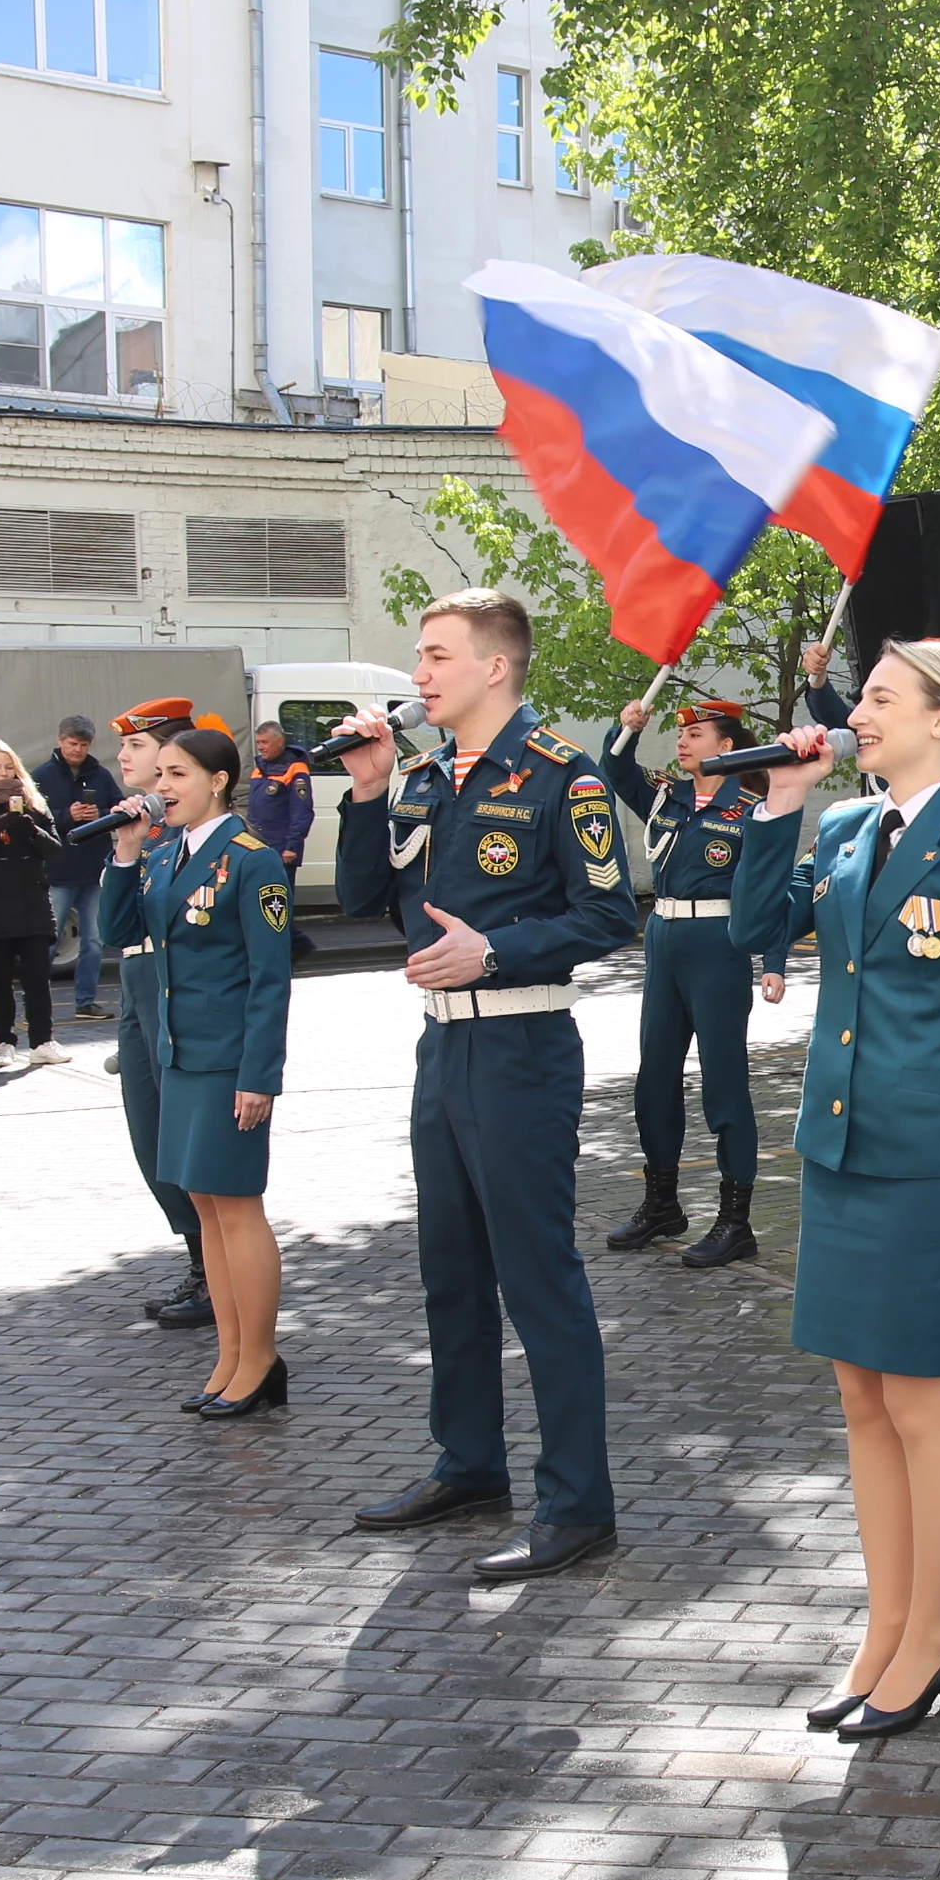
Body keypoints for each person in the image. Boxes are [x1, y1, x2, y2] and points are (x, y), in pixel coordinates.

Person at [734, 640, 940, 1741]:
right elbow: (752, 928)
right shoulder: (840, 829)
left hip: (925, 1158)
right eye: (861, 699)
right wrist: (780, 806)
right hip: (837, 1150)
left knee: (919, 1403)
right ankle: (883, 1630)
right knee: (860, 1402)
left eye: (879, 699)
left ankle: (932, 1638)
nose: (856, 715)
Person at [331, 590, 644, 1579]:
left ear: (495, 666)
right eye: (419, 656)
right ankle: (468, 1461)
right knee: (450, 1270)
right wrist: (370, 792)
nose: (417, 674)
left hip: (522, 1049)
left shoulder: (565, 779)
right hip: (442, 1053)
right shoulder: (421, 778)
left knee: (538, 1277)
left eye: (434, 655)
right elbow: (360, 901)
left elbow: (609, 916)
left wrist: (496, 952)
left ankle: (576, 1500)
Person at [102, 725, 295, 1417]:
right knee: (208, 1214)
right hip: (180, 1057)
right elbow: (117, 930)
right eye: (162, 777)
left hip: (227, 1063)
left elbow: (271, 979)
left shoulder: (252, 860)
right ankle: (231, 1354)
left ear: (218, 780)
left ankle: (262, 1359)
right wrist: (125, 854)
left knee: (239, 1212)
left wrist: (259, 1075)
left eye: (178, 775)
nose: (163, 789)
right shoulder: (163, 857)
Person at [596, 691, 796, 1267]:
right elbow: (614, 768)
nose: (682, 740)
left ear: (726, 746)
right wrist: (625, 725)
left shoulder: (752, 807)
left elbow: (771, 889)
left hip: (718, 945)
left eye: (696, 734)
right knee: (653, 1077)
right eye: (680, 733)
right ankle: (661, 1203)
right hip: (662, 939)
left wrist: (775, 961)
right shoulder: (667, 795)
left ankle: (736, 1220)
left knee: (723, 1083)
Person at [99, 700, 215, 1330]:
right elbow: (111, 927)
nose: (124, 757)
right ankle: (197, 1255)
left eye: (137, 747)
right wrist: (123, 847)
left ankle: (215, 1269)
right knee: (150, 1135)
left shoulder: (194, 831)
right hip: (136, 980)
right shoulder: (139, 826)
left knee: (186, 1133)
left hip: (178, 984)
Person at [0, 739, 71, 1072]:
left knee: (37, 976)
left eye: (9, 767)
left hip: (30, 900)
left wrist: (32, 830)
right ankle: (3, 1042)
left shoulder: (34, 803)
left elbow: (55, 849)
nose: (4, 774)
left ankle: (42, 1041)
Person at [33, 715, 121, 1019]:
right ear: (60, 741)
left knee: (94, 940)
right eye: (73, 743)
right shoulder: (41, 776)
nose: (78, 750)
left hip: (94, 869)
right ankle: (35, 1000)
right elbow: (33, 821)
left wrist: (102, 813)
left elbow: (121, 810)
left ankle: (86, 1001)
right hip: (58, 870)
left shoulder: (101, 775)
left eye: (83, 745)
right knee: (48, 938)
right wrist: (66, 815)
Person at [244, 718, 321, 960]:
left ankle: (291, 949)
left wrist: (292, 846)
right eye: (258, 743)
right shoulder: (259, 769)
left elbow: (302, 811)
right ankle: (292, 946)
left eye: (265, 742)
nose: (261, 747)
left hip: (280, 851)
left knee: (277, 903)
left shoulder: (295, 769)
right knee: (264, 901)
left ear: (280, 742)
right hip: (259, 848)